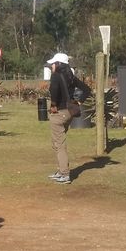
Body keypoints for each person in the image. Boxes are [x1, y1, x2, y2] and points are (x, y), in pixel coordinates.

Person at [46, 52, 90, 185]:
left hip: (59, 113)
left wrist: (53, 105)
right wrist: (79, 102)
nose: (51, 65)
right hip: (69, 113)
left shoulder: (55, 76)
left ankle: (64, 174)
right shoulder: (70, 76)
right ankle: (60, 171)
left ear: (58, 64)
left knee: (59, 144)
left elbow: (54, 91)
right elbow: (87, 89)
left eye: (53, 63)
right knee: (58, 142)